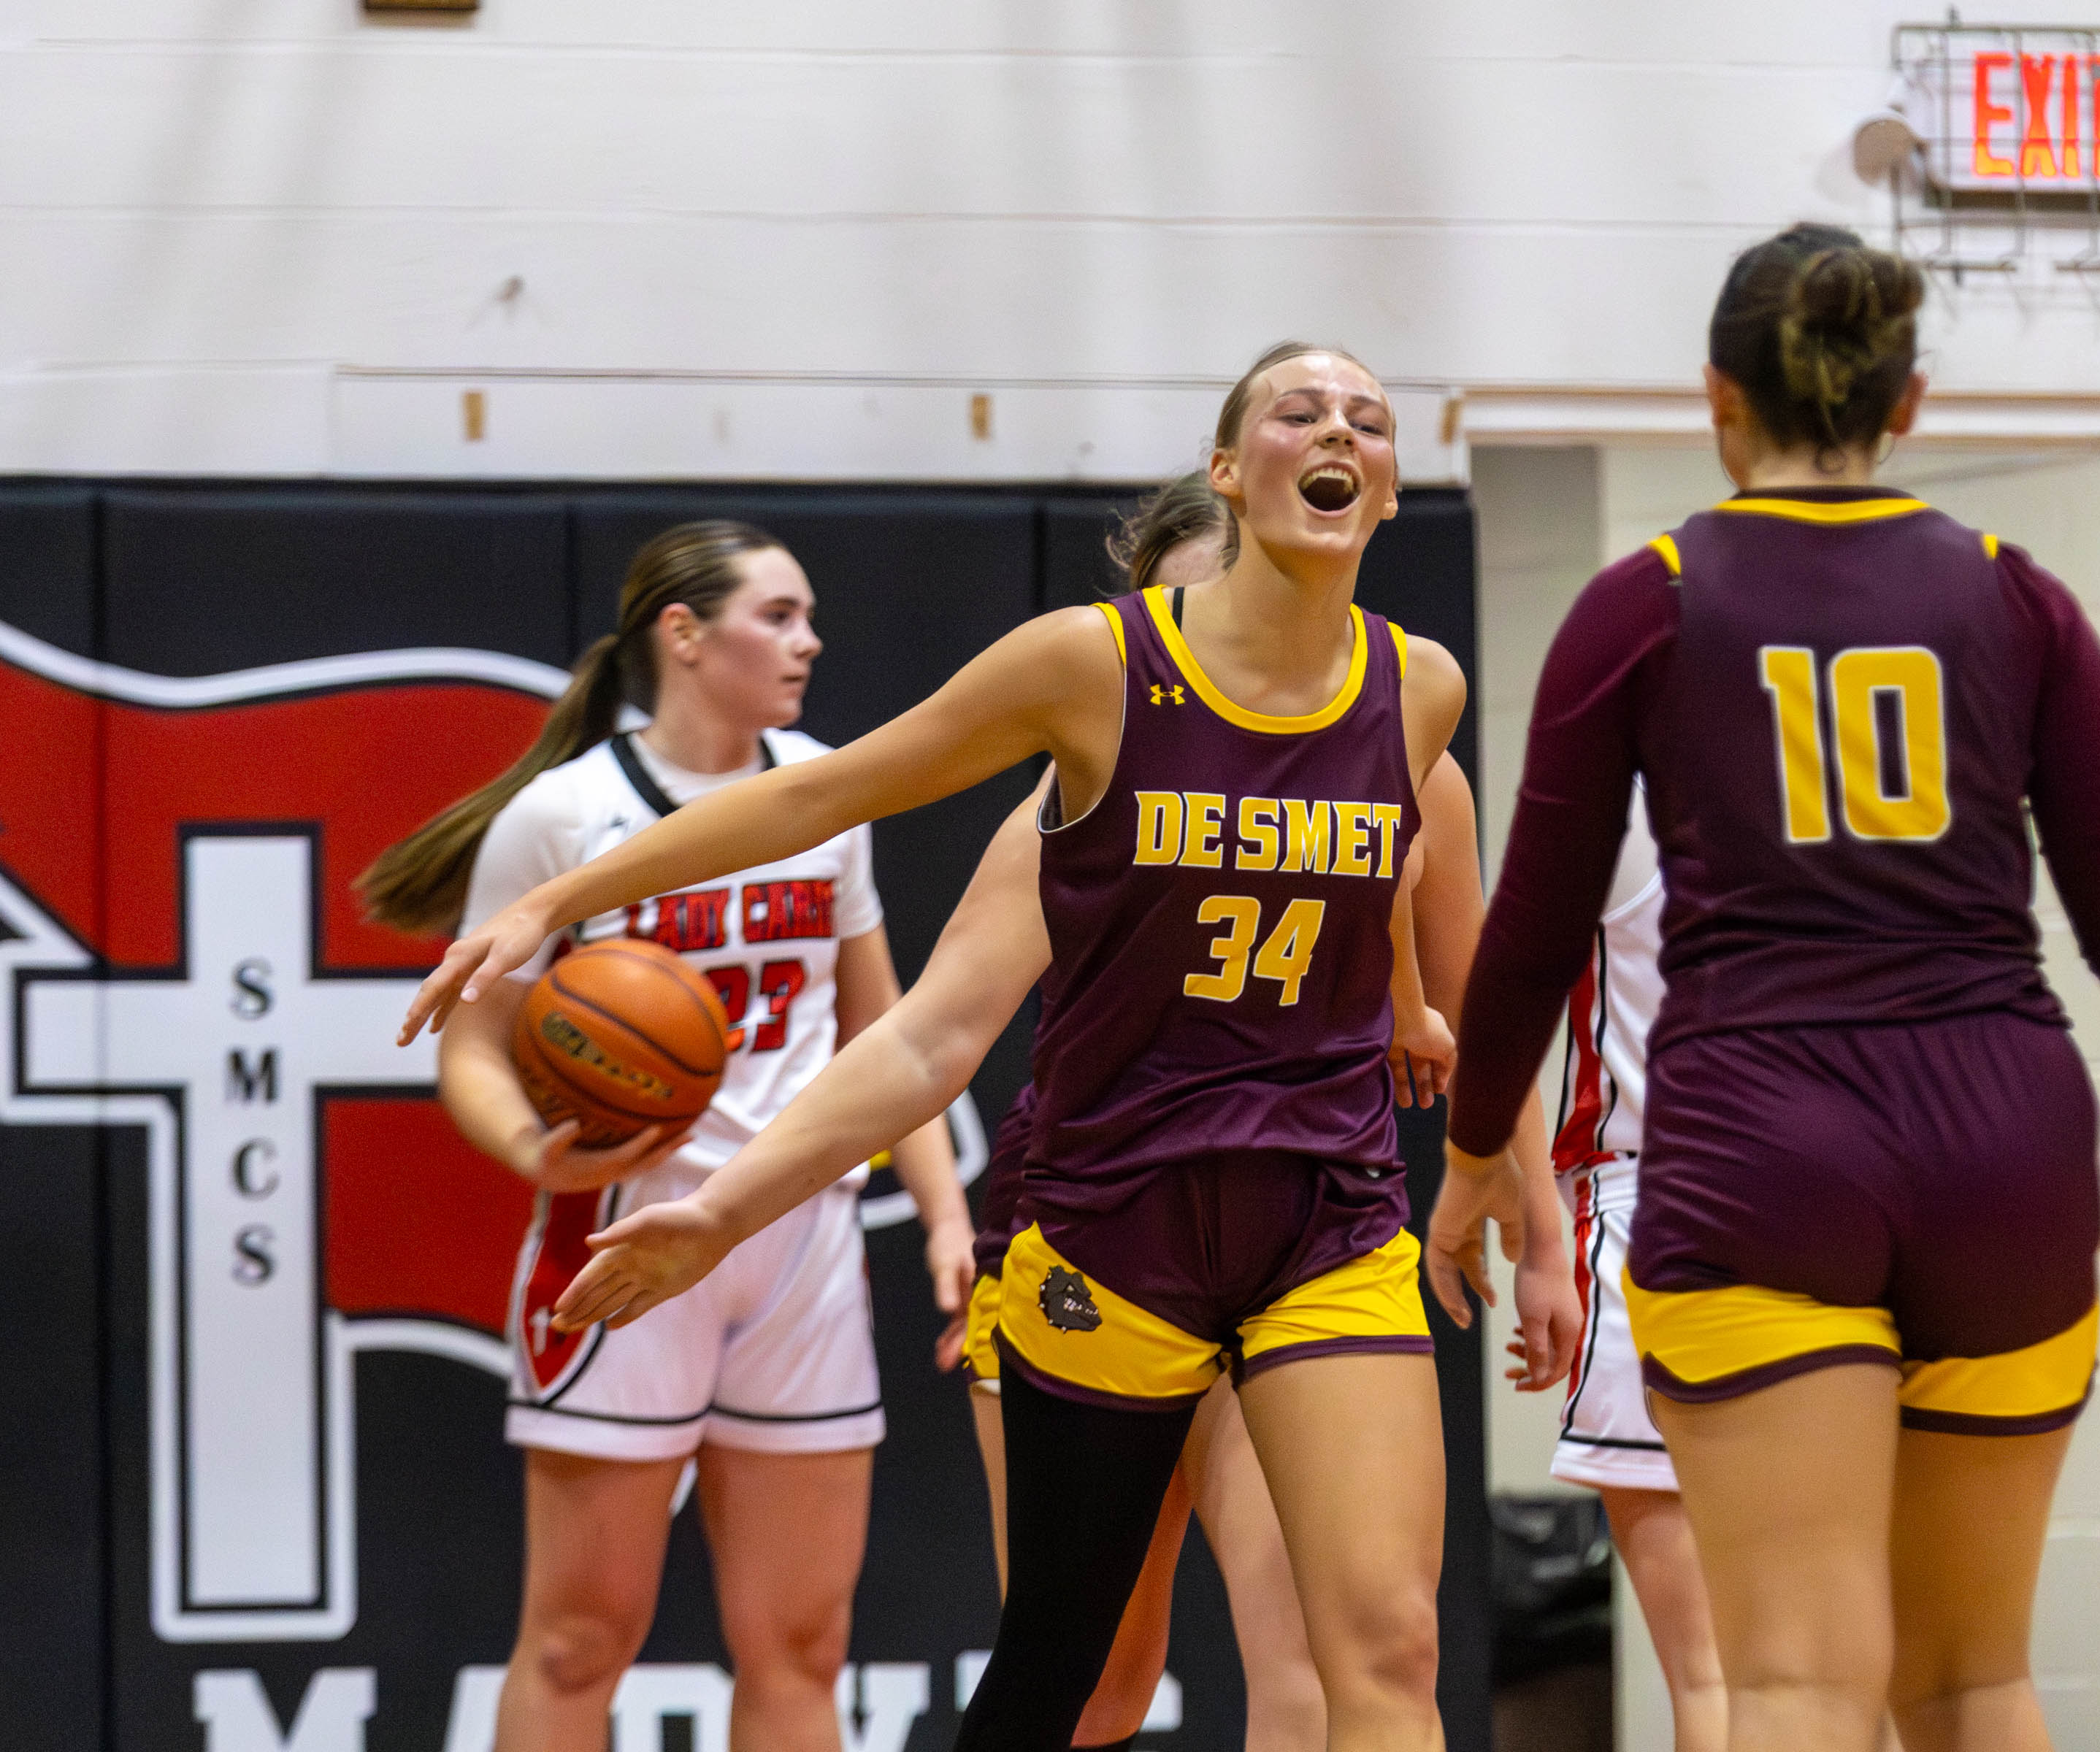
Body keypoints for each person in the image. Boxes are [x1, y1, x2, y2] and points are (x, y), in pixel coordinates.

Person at [401, 345, 1565, 1752]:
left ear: (1383, 490)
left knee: (1385, 1646)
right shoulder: (1094, 668)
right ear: (1226, 467)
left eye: (1369, 421)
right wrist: (562, 903)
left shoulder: (1416, 690)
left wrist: (1489, 1148)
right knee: (1069, 1672)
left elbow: (1409, 923)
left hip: (1328, 1214)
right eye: (1298, 411)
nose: (1339, 432)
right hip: (1112, 1218)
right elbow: (851, 854)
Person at [1434, 223, 2100, 1752]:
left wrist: (1478, 1153)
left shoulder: (1644, 601)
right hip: (2002, 1147)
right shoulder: (2020, 597)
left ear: (1715, 398)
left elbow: (1532, 935)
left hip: (1764, 1141)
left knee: (1801, 1688)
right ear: (1912, 400)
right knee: (1973, 1682)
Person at [950, 472, 1570, 1752]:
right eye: (1191, 612)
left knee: (1349, 1642)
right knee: (1103, 1673)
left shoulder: (1410, 756)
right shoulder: (1092, 766)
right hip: (1102, 1212)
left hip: (1301, 1214)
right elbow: (930, 1032)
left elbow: (1481, 1007)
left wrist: (1541, 1221)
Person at [357, 520, 973, 1752]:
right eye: (778, 616)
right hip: (623, 1236)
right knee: (582, 1638)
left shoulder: (826, 790)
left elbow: (885, 1033)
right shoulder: (565, 816)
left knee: (803, 1646)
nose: (809, 641)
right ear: (681, 635)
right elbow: (473, 1048)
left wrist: (950, 1215)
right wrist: (537, 1155)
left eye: (808, 616)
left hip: (799, 1244)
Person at [1541, 779, 1728, 1752]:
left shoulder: (1615, 797)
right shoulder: (1844, 795)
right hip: (1830, 1218)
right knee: (1818, 1671)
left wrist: (1525, 1223)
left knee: (1711, 1674)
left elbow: (1509, 988)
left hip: (1653, 1210)